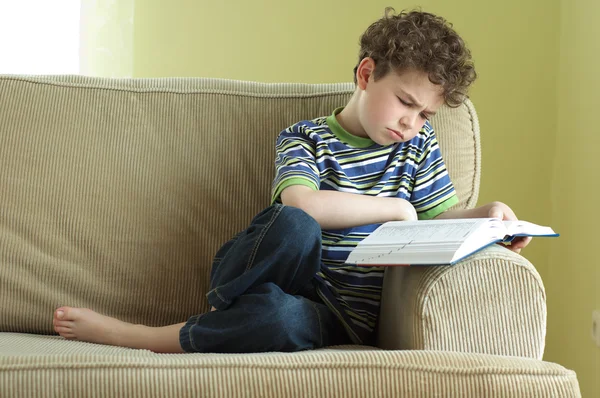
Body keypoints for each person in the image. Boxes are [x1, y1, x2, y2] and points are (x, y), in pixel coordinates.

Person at [52, 8, 531, 353]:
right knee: (296, 224)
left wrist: (485, 216)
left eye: (425, 114)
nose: (412, 123)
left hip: (334, 314)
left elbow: (439, 218)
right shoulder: (306, 138)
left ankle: (151, 336)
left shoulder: (417, 148)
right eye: (406, 103)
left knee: (278, 317)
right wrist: (394, 208)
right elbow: (301, 205)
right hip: (280, 274)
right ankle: (219, 314)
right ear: (366, 74)